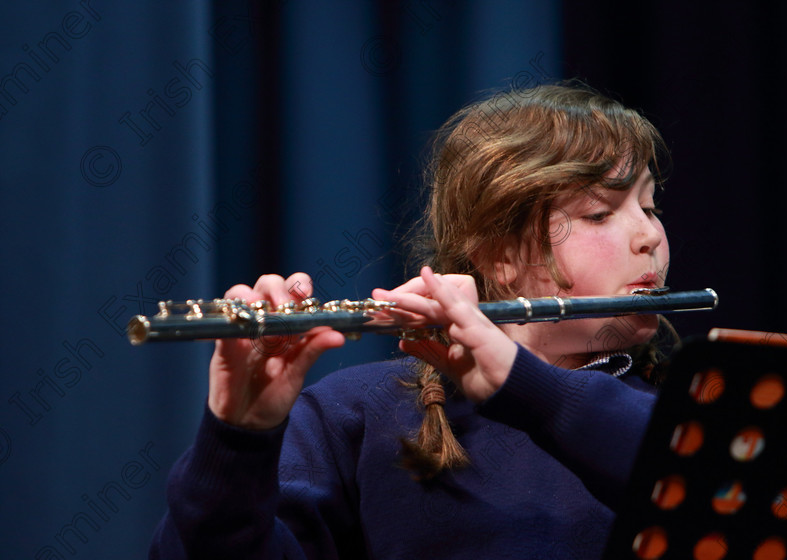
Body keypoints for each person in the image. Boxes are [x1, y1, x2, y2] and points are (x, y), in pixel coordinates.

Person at [149, 82, 674, 559]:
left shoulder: (692, 405)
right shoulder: (354, 413)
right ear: (502, 256)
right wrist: (237, 440)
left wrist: (525, 386)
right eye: (600, 213)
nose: (648, 236)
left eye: (649, 207)